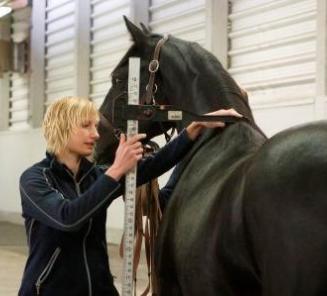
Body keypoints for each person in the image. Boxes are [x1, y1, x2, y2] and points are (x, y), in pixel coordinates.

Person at [18, 96, 242, 296]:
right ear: (62, 127)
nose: (95, 135)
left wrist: (195, 127)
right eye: (86, 126)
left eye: (95, 127)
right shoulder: (35, 179)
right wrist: (116, 170)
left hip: (99, 288)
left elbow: (154, 165)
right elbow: (68, 218)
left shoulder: (96, 176)